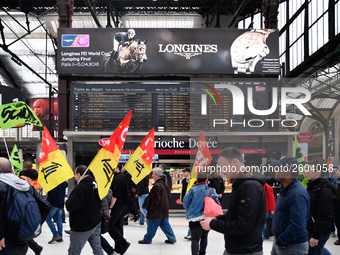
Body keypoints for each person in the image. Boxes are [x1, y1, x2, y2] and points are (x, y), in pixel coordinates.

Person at [200, 147, 266, 255]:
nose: (221, 172)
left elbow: (243, 225)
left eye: (223, 167)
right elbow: (234, 215)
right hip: (236, 248)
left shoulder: (250, 187)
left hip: (246, 250)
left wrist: (213, 224)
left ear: (234, 162)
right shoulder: (240, 184)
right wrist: (217, 218)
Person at [0, 157, 50, 255]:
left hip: (6, 242)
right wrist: (33, 224)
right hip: (23, 239)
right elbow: (46, 206)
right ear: (11, 170)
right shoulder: (24, 185)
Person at [271, 156, 310, 255]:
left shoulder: (297, 193)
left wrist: (282, 241)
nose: (275, 170)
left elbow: (298, 224)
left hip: (292, 246)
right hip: (283, 243)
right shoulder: (286, 189)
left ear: (287, 171)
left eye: (278, 167)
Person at [66, 165, 103, 255]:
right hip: (95, 221)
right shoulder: (94, 183)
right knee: (97, 248)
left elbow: (72, 205)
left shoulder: (81, 187)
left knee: (73, 252)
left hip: (82, 225)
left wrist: (67, 202)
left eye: (75, 174)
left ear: (79, 174)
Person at [304, 159, 336, 255]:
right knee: (318, 250)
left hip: (317, 231)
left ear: (318, 171)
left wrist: (316, 236)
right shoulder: (313, 186)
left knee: (314, 250)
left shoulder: (324, 190)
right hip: (310, 228)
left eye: (309, 169)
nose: (306, 171)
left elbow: (325, 215)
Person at [183, 171, 220, 255]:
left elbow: (185, 202)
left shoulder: (192, 189)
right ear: (206, 180)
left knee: (195, 239)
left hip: (194, 218)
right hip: (207, 217)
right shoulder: (211, 190)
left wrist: (189, 210)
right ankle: (202, 253)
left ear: (197, 179)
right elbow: (217, 203)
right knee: (204, 237)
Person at [138, 167, 176, 244]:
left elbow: (155, 200)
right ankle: (172, 238)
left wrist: (151, 209)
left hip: (156, 212)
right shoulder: (164, 183)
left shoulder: (157, 186)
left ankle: (147, 239)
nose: (152, 176)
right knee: (166, 226)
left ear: (157, 175)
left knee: (151, 225)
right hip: (163, 211)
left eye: (153, 174)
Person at [18, 160, 43, 254]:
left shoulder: (23, 178)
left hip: (25, 204)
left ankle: (35, 247)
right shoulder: (37, 176)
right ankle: (36, 247)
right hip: (35, 203)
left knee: (23, 228)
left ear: (23, 167)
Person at [108, 164, 130, 254]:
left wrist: (110, 207)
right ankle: (119, 247)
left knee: (110, 225)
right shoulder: (123, 177)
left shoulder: (117, 179)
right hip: (124, 204)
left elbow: (115, 194)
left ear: (117, 168)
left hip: (117, 204)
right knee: (119, 224)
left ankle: (123, 243)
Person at [100, 188, 115, 255]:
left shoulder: (98, 188)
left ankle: (110, 250)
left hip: (99, 213)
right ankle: (110, 251)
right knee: (95, 235)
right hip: (104, 211)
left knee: (95, 235)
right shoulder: (108, 189)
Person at [181, 167, 191, 240]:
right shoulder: (184, 181)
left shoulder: (194, 181)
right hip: (186, 201)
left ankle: (190, 233)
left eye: (185, 171)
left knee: (191, 218)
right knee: (190, 218)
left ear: (189, 172)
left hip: (192, 201)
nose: (183, 173)